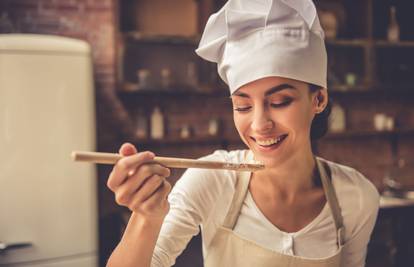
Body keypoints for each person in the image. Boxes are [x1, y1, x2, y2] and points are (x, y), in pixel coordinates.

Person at [106, 1, 380, 266]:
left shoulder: (356, 197)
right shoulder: (212, 180)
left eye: (280, 101)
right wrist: (145, 217)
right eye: (243, 105)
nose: (260, 124)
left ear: (318, 100)